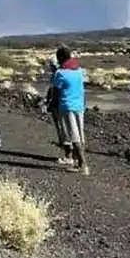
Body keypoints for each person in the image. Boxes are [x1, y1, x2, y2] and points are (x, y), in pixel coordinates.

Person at [51, 46, 90, 175]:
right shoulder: (79, 70)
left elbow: (55, 93)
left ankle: (82, 165)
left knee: (74, 136)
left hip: (66, 106)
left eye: (58, 58)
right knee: (80, 134)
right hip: (79, 106)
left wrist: (51, 105)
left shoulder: (60, 73)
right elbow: (81, 89)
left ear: (61, 58)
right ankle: (76, 160)